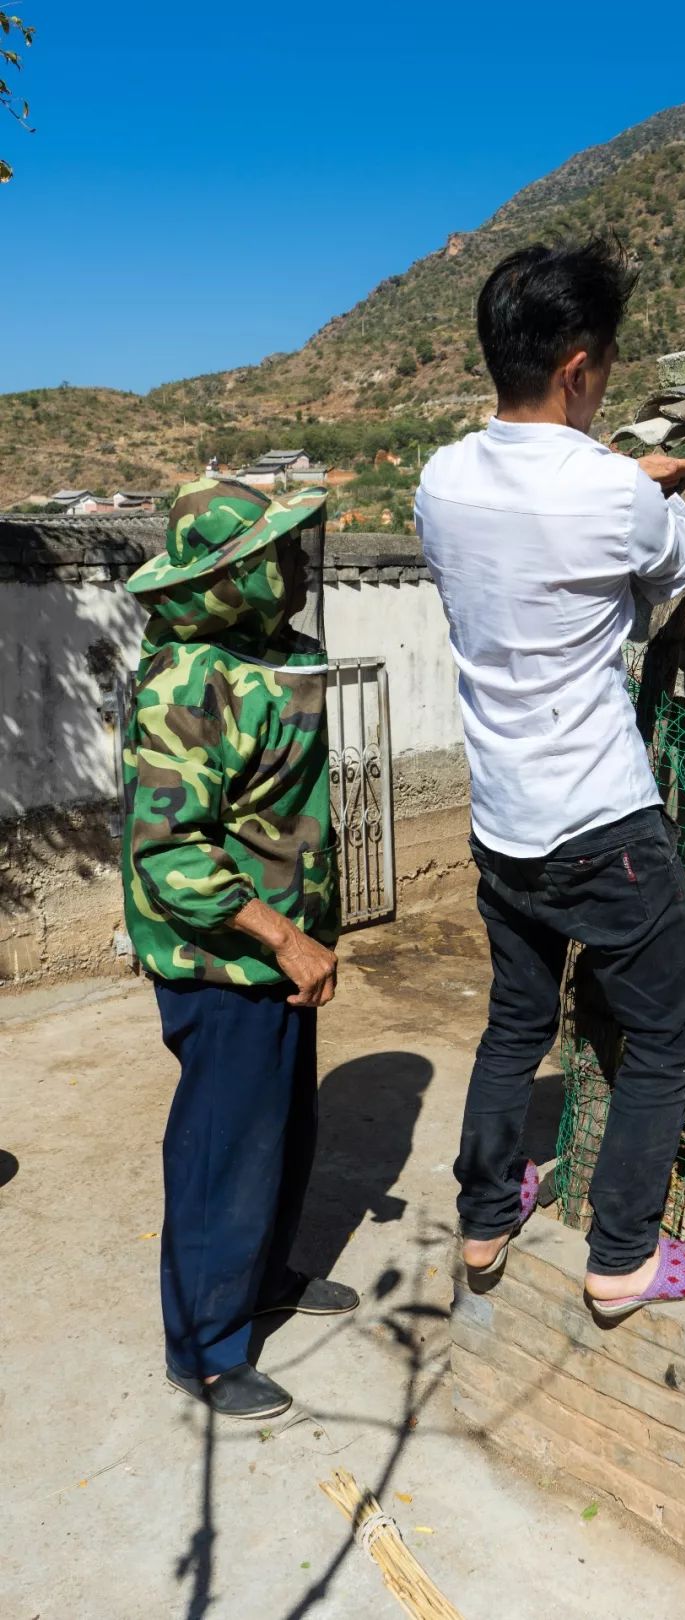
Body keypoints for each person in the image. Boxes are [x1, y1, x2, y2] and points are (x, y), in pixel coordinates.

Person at [415, 237, 685, 1318]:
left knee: (515, 1024)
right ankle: (624, 1259)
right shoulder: (608, 493)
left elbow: (539, 529)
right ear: (581, 369)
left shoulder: (441, 479)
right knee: (666, 1035)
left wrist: (627, 478)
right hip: (601, 824)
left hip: (502, 824)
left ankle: (487, 1220)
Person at [123, 477, 354, 1419]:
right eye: (280, 553)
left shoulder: (268, 659)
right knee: (226, 1148)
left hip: (278, 951)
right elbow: (170, 849)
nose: (299, 562)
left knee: (283, 1133)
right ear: (238, 577)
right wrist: (283, 937)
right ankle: (206, 1351)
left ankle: (260, 1277)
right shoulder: (191, 682)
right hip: (222, 958)